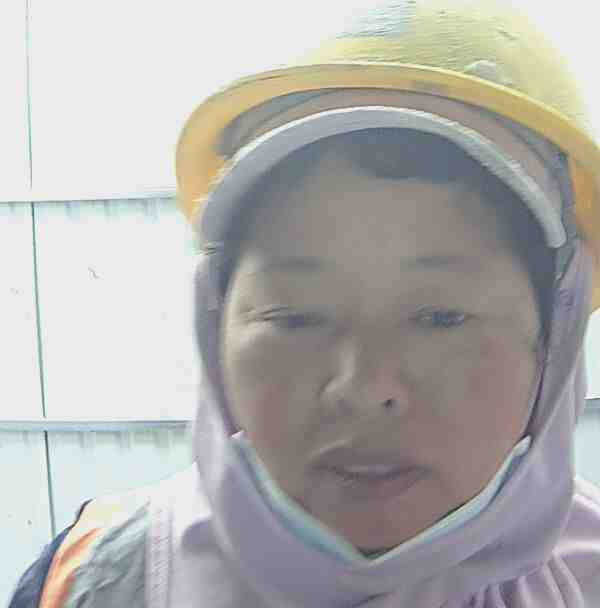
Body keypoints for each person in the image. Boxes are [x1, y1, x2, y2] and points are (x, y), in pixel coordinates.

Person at [10, 1, 600, 606]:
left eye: (440, 318)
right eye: (295, 318)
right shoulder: (94, 580)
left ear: (555, 335)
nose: (365, 388)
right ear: (216, 322)